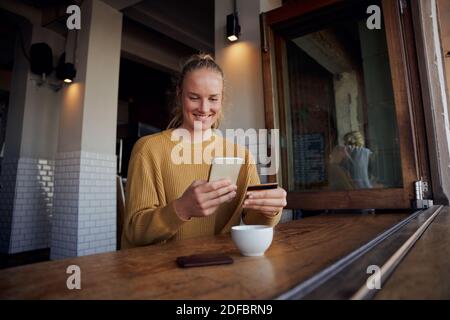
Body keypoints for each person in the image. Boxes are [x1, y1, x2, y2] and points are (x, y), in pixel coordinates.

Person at [121, 54, 287, 248]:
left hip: (223, 267)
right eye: (194, 97)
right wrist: (182, 208)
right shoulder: (148, 149)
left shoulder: (241, 156)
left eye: (213, 99)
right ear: (179, 94)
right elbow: (135, 232)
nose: (204, 108)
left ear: (222, 99)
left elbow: (253, 221)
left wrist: (270, 210)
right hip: (164, 272)